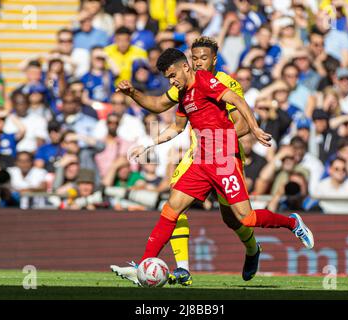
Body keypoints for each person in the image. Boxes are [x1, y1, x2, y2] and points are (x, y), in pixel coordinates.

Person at [111, 48, 314, 285]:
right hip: (201, 162)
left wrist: (255, 128)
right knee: (171, 208)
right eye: (168, 78)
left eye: (173, 75)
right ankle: (145, 263)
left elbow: (237, 100)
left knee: (244, 218)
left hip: (224, 160)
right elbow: (172, 123)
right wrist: (149, 141)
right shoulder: (182, 93)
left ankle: (292, 223)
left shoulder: (206, 81)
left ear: (185, 67)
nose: (172, 81)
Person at [118, 36, 263, 285]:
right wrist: (132, 93)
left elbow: (241, 125)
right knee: (175, 202)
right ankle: (182, 268)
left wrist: (212, 140)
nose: (198, 63)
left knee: (233, 218)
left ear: (214, 59)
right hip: (197, 156)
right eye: (194, 58)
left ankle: (252, 249)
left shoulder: (226, 84)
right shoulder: (183, 84)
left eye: (203, 58)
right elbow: (157, 105)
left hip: (224, 154)